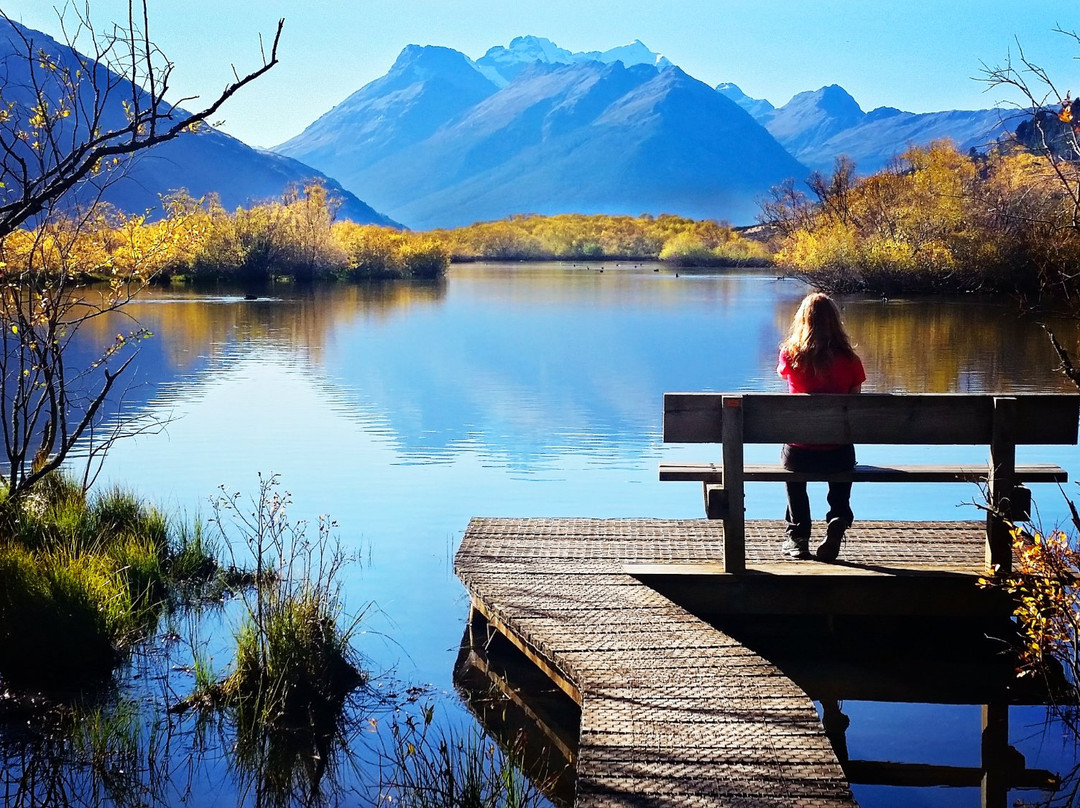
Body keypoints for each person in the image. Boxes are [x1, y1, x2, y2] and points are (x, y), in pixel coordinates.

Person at [777, 292, 865, 561]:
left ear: (802, 321)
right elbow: (854, 404)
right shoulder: (851, 361)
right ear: (835, 322)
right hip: (837, 451)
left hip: (801, 452)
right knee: (843, 454)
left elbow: (786, 380)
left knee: (791, 466)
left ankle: (799, 535)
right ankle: (838, 516)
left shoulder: (791, 356)